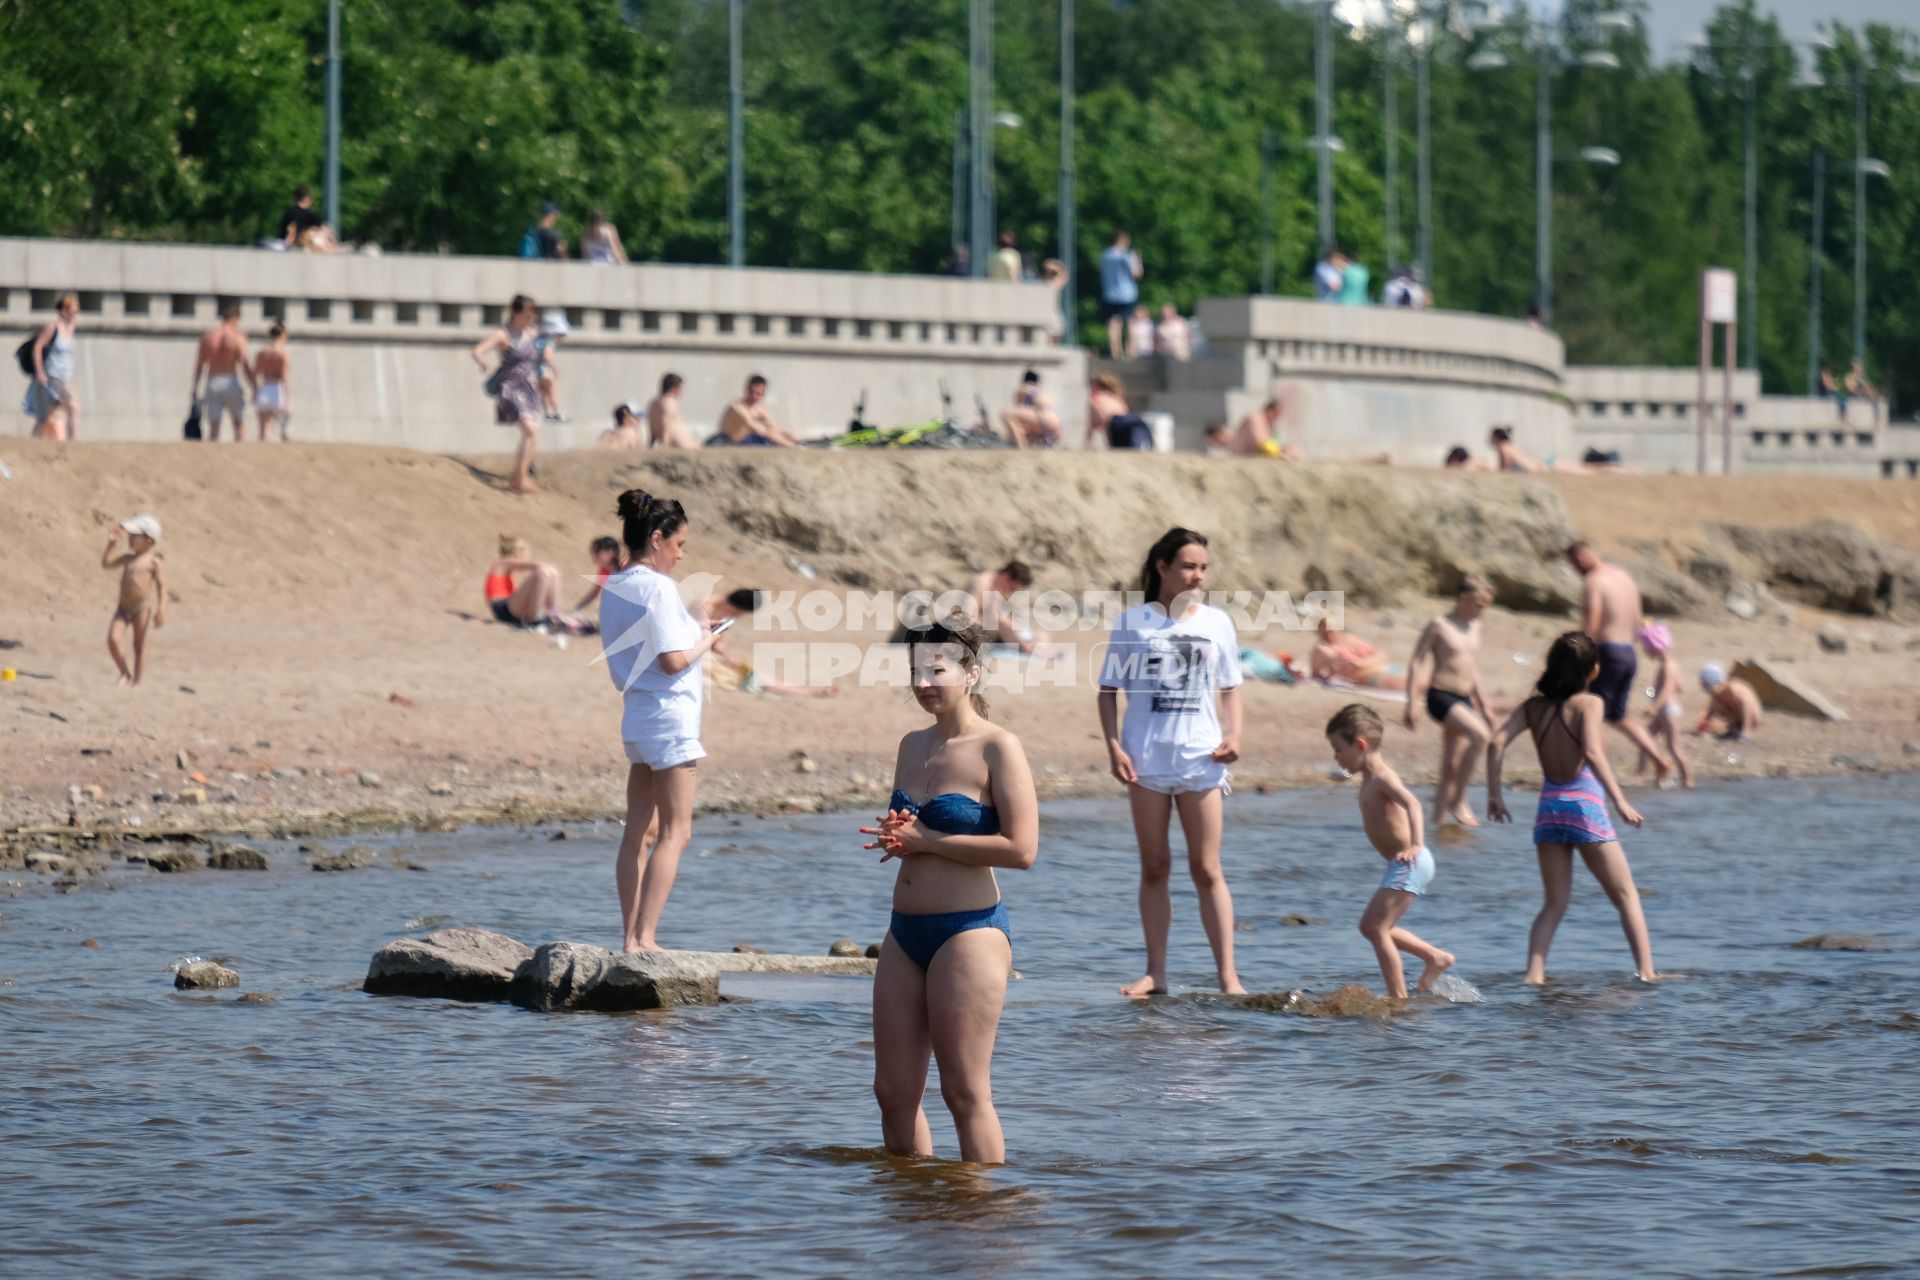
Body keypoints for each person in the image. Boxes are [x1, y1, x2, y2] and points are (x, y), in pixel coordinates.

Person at [859, 619, 1038, 1165]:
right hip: (904, 932)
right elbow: (917, 835)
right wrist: (902, 840)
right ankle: (914, 1205)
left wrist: (929, 839)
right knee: (892, 1093)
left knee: (962, 1092)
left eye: (937, 669)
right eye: (916, 671)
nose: (924, 682)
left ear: (971, 674)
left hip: (969, 930)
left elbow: (1021, 849)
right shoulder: (911, 746)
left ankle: (981, 1219)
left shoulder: (998, 747)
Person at [1098, 527, 1247, 998]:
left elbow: (1231, 687)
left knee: (1207, 870)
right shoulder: (1132, 623)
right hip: (1144, 762)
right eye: (1188, 566)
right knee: (1155, 867)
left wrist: (1235, 734)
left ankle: (1228, 978)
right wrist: (1113, 747)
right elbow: (1107, 693)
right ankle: (1155, 973)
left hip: (1201, 760)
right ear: (1162, 567)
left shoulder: (1218, 623)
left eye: (1203, 567)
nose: (1197, 575)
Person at [1487, 631, 1657, 984]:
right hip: (1585, 806)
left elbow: (1496, 741)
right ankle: (1647, 973)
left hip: (1549, 810)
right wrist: (1621, 800)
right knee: (1626, 896)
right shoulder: (1589, 704)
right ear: (1592, 672)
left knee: (1553, 904)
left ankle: (1533, 976)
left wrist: (1495, 794)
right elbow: (1593, 752)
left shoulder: (1533, 708)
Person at [601, 489, 728, 954]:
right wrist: (706, 637)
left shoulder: (613, 585)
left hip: (637, 718)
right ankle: (644, 937)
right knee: (677, 831)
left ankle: (628, 938)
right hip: (668, 720)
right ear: (657, 539)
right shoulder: (656, 587)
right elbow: (674, 661)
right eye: (678, 544)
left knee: (639, 830)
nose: (680, 554)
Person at [1326, 705, 1453, 998]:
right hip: (1403, 863)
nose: (1336, 757)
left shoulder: (1384, 777)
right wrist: (1346, 774)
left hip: (1412, 861)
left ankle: (1398, 998)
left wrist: (1416, 844)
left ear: (1360, 745)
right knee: (1371, 927)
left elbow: (1413, 804)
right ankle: (1435, 957)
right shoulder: (1369, 777)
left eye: (1338, 749)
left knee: (1376, 929)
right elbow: (1360, 776)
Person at [1568, 541, 1674, 783]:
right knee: (1617, 716)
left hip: (1607, 652)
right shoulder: (1624, 576)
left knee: (1591, 713)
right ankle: (1660, 760)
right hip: (1628, 652)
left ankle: (1592, 772)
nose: (1576, 570)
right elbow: (1638, 619)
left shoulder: (1593, 581)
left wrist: (1576, 651)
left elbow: (1592, 621)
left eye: (1574, 565)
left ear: (1581, 557)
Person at [1403, 574, 1497, 828]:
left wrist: (1484, 705)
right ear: (1464, 598)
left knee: (1450, 765)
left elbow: (1473, 669)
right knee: (1481, 736)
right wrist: (1411, 702)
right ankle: (1459, 801)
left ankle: (1437, 823)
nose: (1481, 611)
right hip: (1440, 696)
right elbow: (1416, 661)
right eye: (1479, 605)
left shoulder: (1474, 627)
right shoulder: (1439, 625)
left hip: (1464, 697)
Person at [697, 587, 839, 698]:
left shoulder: (722, 611)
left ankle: (807, 692)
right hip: (693, 654)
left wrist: (729, 659)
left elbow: (719, 644)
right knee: (748, 678)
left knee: (752, 674)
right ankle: (808, 692)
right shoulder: (704, 607)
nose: (736, 616)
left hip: (704, 653)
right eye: (737, 613)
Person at [471, 294, 544, 494]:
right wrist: (482, 361)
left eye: (533, 314)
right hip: (510, 388)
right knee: (530, 431)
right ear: (516, 313)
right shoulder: (503, 334)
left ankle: (524, 472)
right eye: (527, 314)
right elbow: (478, 350)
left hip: (529, 388)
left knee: (533, 432)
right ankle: (520, 480)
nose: (531, 318)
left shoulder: (532, 334)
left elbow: (541, 355)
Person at [102, 515, 166, 687]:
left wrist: (161, 609)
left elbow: (162, 587)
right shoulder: (127, 559)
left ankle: (137, 682)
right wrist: (111, 544)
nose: (130, 539)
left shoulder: (153, 562)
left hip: (141, 609)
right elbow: (106, 564)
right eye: (130, 535)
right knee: (113, 640)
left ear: (149, 540)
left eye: (134, 537)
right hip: (122, 609)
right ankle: (124, 671)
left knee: (139, 646)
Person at [1634, 622, 1695, 788]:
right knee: (1644, 739)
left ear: (1655, 646)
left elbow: (1668, 690)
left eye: (1647, 649)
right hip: (1665, 710)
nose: (1646, 652)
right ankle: (1641, 777)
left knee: (1674, 747)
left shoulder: (1668, 666)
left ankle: (1688, 781)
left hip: (1668, 711)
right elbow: (1680, 687)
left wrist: (1653, 707)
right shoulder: (1670, 664)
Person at [191, 302, 253, 442]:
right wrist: (254, 386)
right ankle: (239, 449)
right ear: (236, 318)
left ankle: (214, 454)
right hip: (231, 380)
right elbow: (244, 364)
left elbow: (199, 366)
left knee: (214, 425)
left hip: (212, 381)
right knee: (238, 422)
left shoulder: (208, 337)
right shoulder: (238, 337)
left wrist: (195, 388)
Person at [24, 292, 80, 440]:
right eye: (71, 310)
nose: (74, 314)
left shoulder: (71, 329)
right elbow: (37, 347)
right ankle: (71, 444)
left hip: (63, 378)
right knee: (73, 406)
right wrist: (40, 372)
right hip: (51, 376)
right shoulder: (53, 328)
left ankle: (34, 442)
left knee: (45, 415)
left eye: (76, 310)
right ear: (63, 310)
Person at [483, 534, 565, 628]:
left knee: (553, 571)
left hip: (511, 608)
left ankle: (554, 614)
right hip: (502, 608)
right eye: (524, 550)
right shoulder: (502, 562)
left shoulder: (506, 570)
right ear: (517, 552)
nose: (527, 553)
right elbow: (534, 565)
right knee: (544, 572)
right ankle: (534, 619)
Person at [1311, 617, 1406, 690]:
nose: (1330, 635)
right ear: (1318, 633)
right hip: (1375, 678)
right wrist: (1372, 660)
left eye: (1332, 631)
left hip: (1390, 670)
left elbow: (1381, 653)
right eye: (1325, 633)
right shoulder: (1323, 649)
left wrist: (1363, 663)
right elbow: (1355, 666)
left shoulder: (1350, 638)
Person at [967, 560, 1038, 653]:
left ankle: (1025, 645)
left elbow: (992, 614)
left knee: (1037, 634)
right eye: (1012, 588)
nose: (1012, 592)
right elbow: (967, 615)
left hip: (981, 629)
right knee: (1002, 622)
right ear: (1006, 576)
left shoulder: (994, 586)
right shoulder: (982, 583)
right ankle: (1024, 647)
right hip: (967, 629)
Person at [717, 374, 799, 447]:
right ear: (746, 389)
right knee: (769, 438)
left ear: (763, 394)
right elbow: (758, 429)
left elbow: (773, 426)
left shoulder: (759, 408)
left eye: (758, 394)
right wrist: (789, 445)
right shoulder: (736, 408)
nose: (754, 396)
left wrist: (789, 437)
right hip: (727, 441)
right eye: (751, 392)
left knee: (773, 435)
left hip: (746, 440)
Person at [564, 536, 624, 631]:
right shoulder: (604, 570)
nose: (594, 556)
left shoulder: (626, 569)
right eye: (594, 552)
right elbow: (593, 593)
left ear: (610, 553)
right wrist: (576, 609)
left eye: (597, 552)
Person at [1100, 229, 1143, 359]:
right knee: (1130, 322)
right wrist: (1138, 260)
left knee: (1114, 323)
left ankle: (1115, 352)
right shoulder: (1127, 255)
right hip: (1127, 293)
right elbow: (1136, 273)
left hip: (1110, 293)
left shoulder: (1105, 255)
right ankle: (1129, 351)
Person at [1086, 373, 1153, 451]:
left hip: (1116, 424)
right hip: (1135, 419)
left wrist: (1087, 443)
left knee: (1124, 451)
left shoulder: (1095, 399)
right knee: (1139, 446)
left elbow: (1096, 421)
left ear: (1096, 386)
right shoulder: (1116, 397)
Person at [251, 322, 293, 442]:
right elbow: (285, 377)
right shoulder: (283, 353)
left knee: (264, 430)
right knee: (284, 429)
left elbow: (254, 374)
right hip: (278, 389)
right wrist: (288, 398)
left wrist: (256, 390)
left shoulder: (262, 353)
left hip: (265, 388)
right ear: (283, 335)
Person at [1699, 662, 1762, 740]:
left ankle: (1744, 730)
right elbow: (1711, 707)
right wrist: (1705, 721)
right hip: (1738, 719)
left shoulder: (1733, 689)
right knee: (1716, 702)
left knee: (1722, 703)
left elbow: (1746, 703)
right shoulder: (1719, 693)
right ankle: (1733, 730)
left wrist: (1746, 730)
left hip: (1751, 718)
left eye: (1707, 685)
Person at [1226, 396, 1302, 459]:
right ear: (1271, 410)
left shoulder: (1266, 424)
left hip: (1248, 457)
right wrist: (1280, 452)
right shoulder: (1255, 418)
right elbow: (1261, 444)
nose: (1277, 418)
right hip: (1239, 456)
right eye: (1277, 414)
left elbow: (1268, 444)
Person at [1000, 370, 1060, 449]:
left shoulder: (1025, 388)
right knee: (1023, 426)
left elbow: (1018, 407)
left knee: (1007, 414)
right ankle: (1030, 444)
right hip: (1056, 425)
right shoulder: (1041, 391)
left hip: (1043, 419)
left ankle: (1021, 445)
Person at [276, 185, 337, 253]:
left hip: (293, 242)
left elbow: (287, 231)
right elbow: (325, 229)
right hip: (303, 242)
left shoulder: (289, 213)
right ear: (306, 198)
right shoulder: (310, 215)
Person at [646, 374, 698, 449]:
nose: (681, 392)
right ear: (674, 388)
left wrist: (651, 444)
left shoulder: (653, 403)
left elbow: (652, 426)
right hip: (678, 442)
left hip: (666, 440)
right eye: (680, 388)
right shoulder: (670, 401)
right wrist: (665, 444)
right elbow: (666, 423)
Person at [535, 310, 569, 423]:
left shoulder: (538, 340)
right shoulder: (549, 342)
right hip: (545, 370)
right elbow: (547, 356)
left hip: (536, 370)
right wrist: (554, 369)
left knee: (543, 392)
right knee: (551, 391)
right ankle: (556, 411)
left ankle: (547, 412)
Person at [1040, 258, 1070, 343]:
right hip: (1046, 311)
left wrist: (1056, 266)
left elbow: (1065, 274)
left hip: (1054, 311)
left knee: (1055, 337)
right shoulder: (1044, 282)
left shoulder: (1057, 282)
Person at [1845, 360, 1881, 426]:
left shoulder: (1862, 377)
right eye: (1857, 367)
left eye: (1860, 367)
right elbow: (1849, 388)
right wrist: (1856, 385)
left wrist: (1868, 389)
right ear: (1853, 368)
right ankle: (1848, 419)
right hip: (1854, 395)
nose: (1859, 369)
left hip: (1862, 394)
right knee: (1848, 401)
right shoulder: (1849, 376)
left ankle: (1877, 420)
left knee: (1875, 400)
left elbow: (1867, 386)